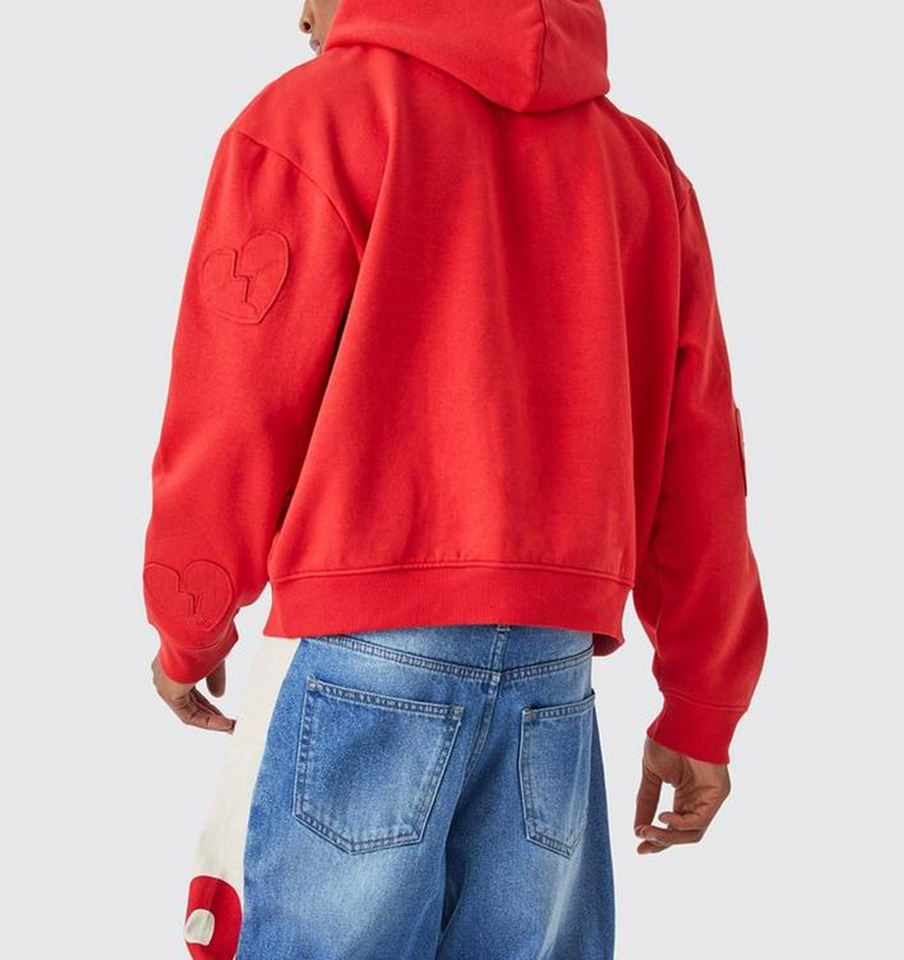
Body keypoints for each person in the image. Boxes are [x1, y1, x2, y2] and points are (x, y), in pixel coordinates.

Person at [142, 1, 769, 956]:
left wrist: (189, 625)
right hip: (554, 673)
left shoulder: (312, 119)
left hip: (361, 651)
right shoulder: (638, 166)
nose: (299, 13)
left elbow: (232, 410)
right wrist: (702, 705)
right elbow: (701, 456)